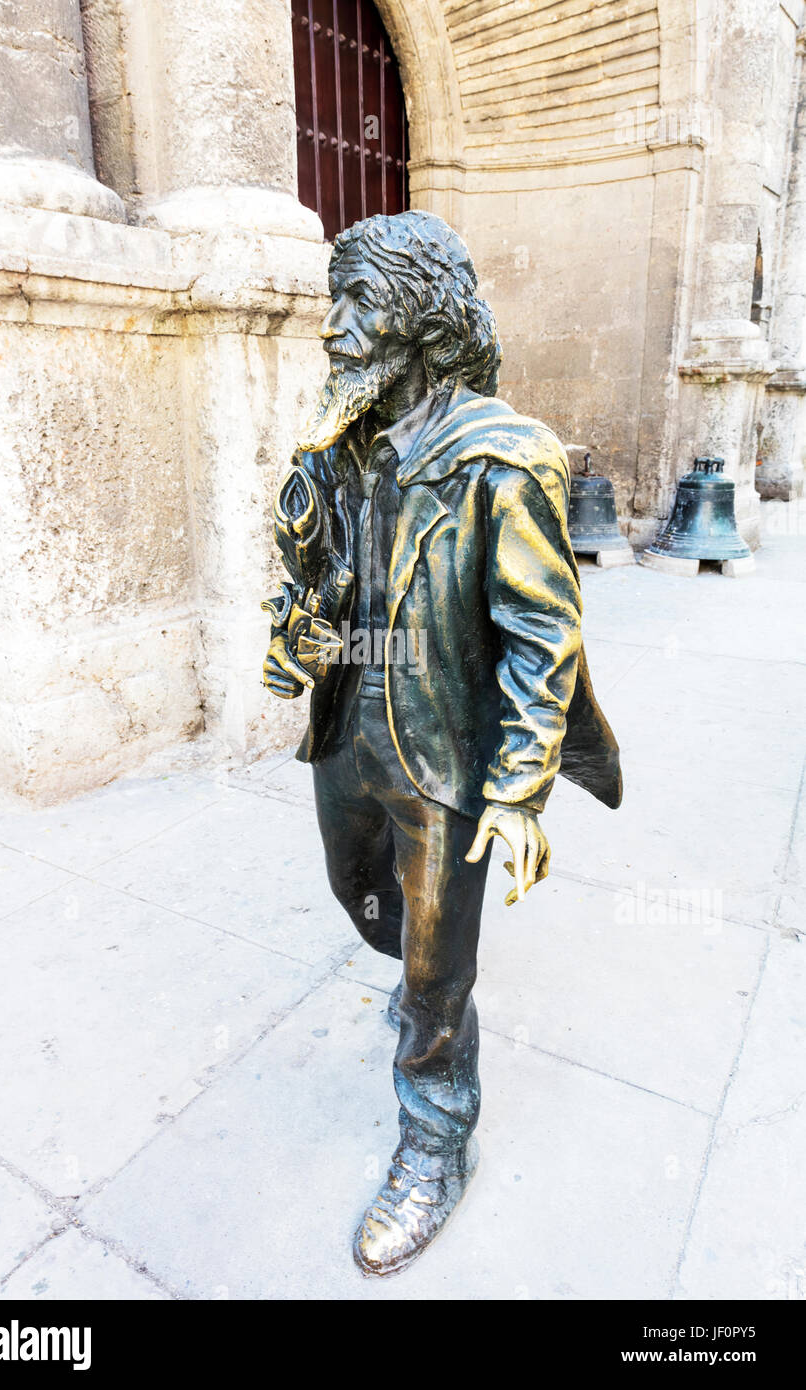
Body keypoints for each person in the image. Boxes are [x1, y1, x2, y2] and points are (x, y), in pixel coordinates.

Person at [263, 210, 621, 1277]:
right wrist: (297, 627)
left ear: (417, 319)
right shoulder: (338, 444)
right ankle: (429, 983)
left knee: (432, 956)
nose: (332, 328)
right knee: (359, 896)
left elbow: (540, 634)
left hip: (447, 756)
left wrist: (516, 791)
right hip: (348, 732)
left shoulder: (500, 461)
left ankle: (433, 1132)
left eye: (357, 305)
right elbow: (309, 578)